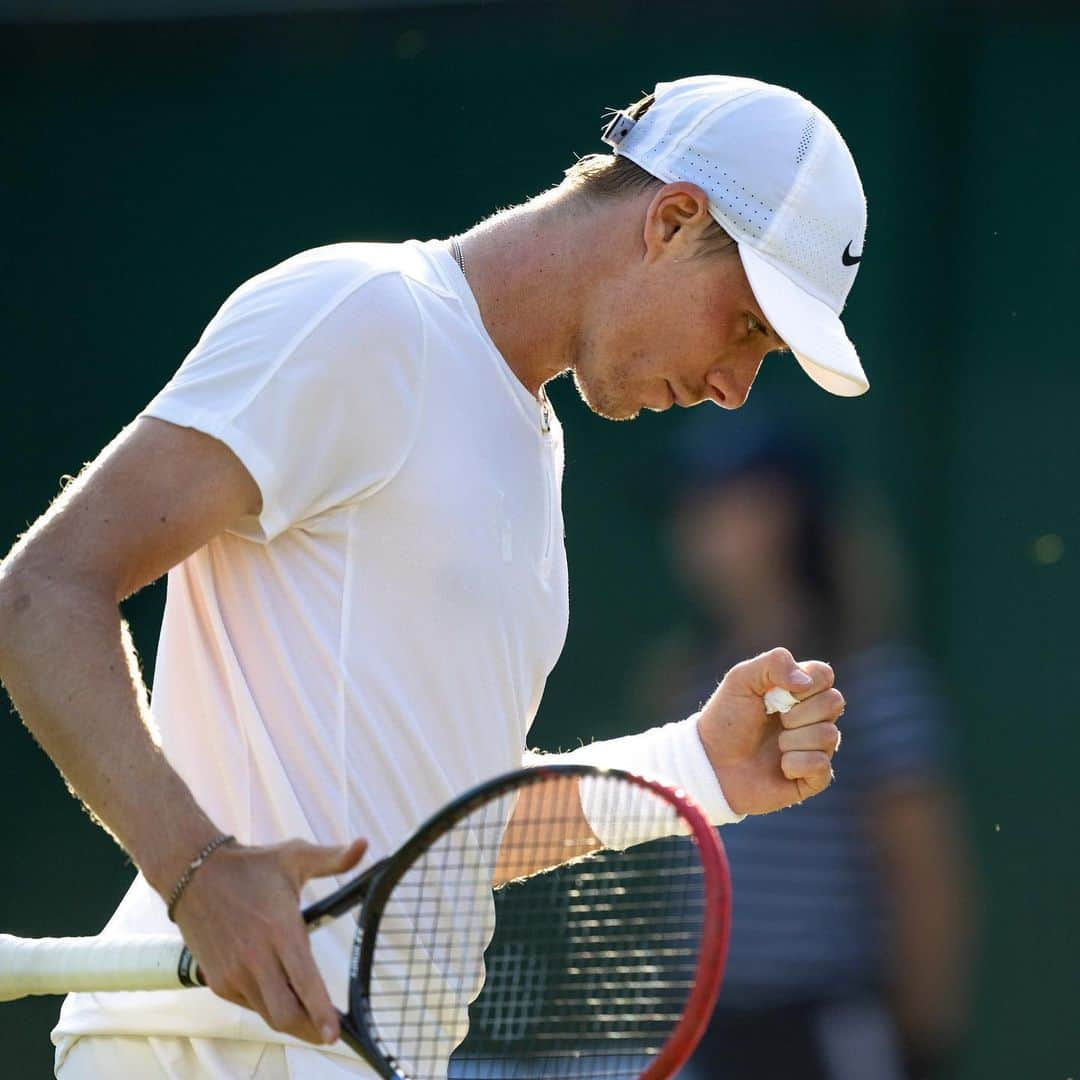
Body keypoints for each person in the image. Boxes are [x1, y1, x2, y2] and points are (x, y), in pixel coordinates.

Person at [0, 76, 865, 1078]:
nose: (733, 387)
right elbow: (42, 595)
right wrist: (196, 871)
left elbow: (431, 844)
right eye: (748, 327)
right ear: (673, 220)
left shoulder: (532, 452)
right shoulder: (363, 317)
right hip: (203, 1058)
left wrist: (693, 769)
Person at [633, 411, 976, 1080]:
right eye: (688, 508)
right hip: (707, 1028)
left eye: (721, 506)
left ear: (787, 517)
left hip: (827, 1028)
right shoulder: (682, 682)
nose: (695, 533)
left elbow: (928, 879)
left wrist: (920, 1044)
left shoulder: (876, 683)